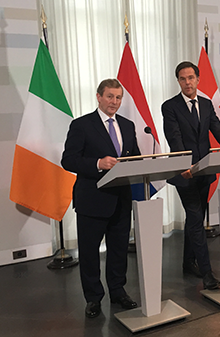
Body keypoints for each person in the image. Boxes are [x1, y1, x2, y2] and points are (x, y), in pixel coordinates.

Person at [61, 79, 141, 318]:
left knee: (118, 251)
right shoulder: (81, 125)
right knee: (89, 252)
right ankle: (93, 298)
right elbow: (68, 160)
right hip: (92, 201)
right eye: (109, 97)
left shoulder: (127, 125)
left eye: (118, 98)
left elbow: (134, 157)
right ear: (98, 96)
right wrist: (97, 163)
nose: (114, 102)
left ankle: (118, 291)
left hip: (120, 199)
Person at [162, 61, 220, 290]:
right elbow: (174, 138)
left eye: (191, 77)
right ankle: (207, 273)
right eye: (183, 79)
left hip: (205, 172)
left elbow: (217, 129)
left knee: (196, 219)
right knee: (194, 218)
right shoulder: (170, 106)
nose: (187, 82)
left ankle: (187, 262)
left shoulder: (206, 103)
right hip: (186, 174)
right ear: (178, 82)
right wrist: (186, 165)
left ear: (198, 79)